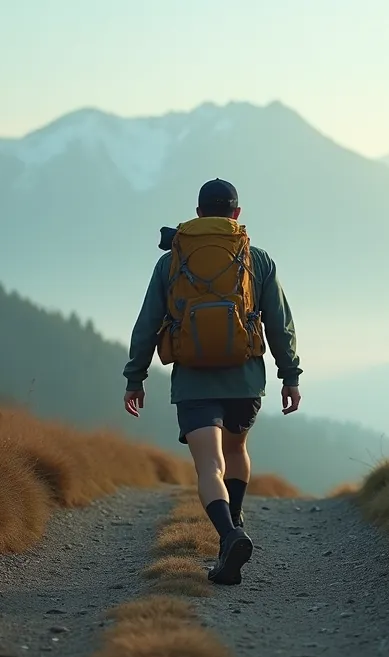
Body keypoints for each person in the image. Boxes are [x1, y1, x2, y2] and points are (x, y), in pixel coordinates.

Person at [122, 177, 303, 586]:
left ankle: (228, 535)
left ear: (199, 213)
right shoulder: (257, 259)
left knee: (209, 466)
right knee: (237, 450)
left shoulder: (171, 261)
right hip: (245, 379)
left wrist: (136, 377)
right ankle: (234, 525)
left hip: (194, 382)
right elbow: (280, 323)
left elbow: (148, 323)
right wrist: (289, 376)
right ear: (236, 214)